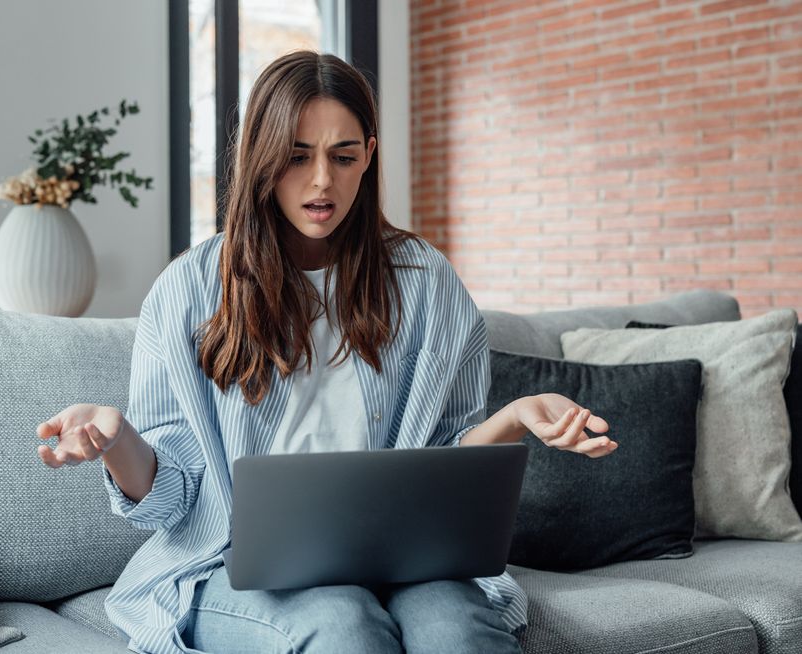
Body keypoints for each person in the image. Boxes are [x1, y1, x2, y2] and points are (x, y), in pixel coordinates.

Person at [37, 50, 618, 654]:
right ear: (260, 157)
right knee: (344, 626)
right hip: (227, 565)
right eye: (296, 156)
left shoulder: (426, 282)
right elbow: (173, 498)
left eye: (343, 157)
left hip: (401, 561)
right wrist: (117, 439)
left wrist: (515, 416)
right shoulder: (190, 289)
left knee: (458, 629)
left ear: (368, 155)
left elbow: (441, 475)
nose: (322, 181)